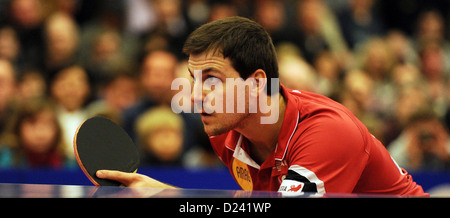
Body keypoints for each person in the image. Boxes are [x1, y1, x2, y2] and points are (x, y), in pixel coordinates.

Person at [96, 16, 428, 196]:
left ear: (256, 83)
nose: (195, 95)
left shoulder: (328, 132)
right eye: (193, 80)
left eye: (211, 79)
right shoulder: (225, 132)